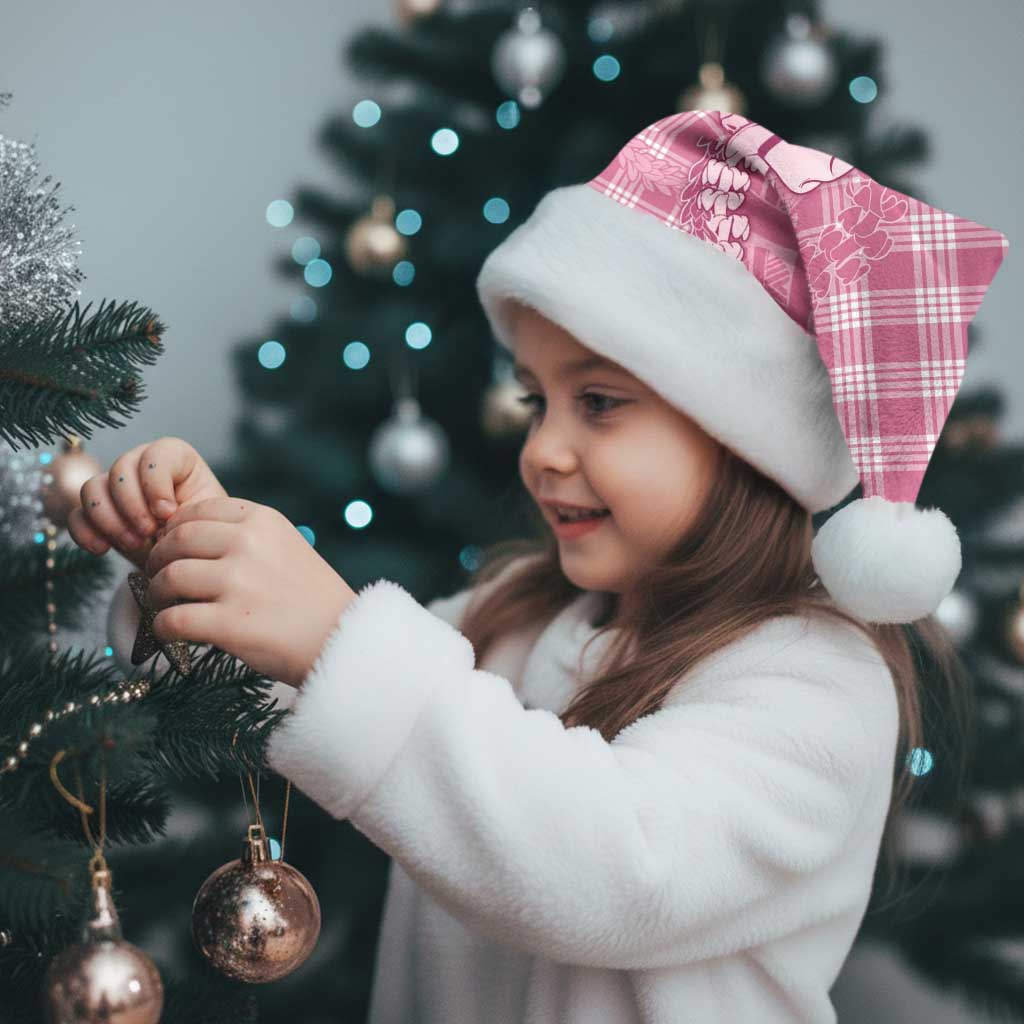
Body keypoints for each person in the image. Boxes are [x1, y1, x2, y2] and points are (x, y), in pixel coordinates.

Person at [72, 109, 1009, 1023]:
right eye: (535, 402)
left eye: (598, 402)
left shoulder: (819, 683)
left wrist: (335, 637)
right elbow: (305, 694)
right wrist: (190, 566)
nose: (543, 450)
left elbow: (615, 870)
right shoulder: (514, 616)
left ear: (746, 440)